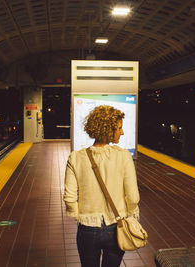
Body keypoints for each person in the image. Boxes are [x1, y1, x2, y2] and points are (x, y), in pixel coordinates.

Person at [64, 105, 140, 267]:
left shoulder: (76, 157)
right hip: (116, 227)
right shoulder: (123, 156)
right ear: (108, 129)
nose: (122, 132)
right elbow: (133, 197)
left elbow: (70, 198)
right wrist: (131, 214)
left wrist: (80, 216)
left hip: (87, 228)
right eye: (119, 128)